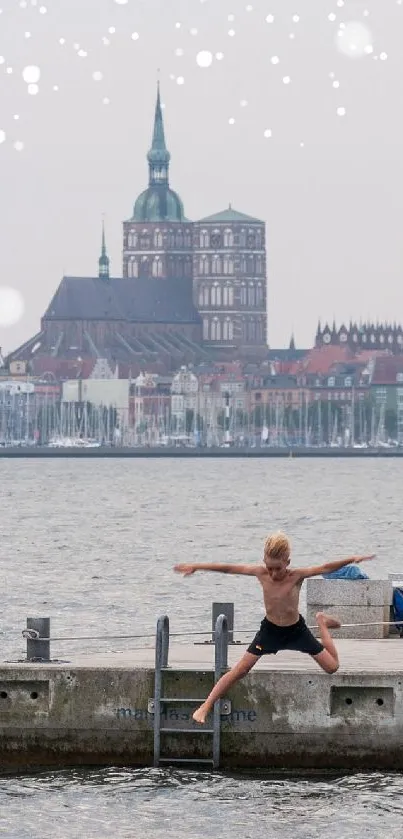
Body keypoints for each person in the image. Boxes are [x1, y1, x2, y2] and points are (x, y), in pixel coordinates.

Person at [174, 532, 375, 724]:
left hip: (296, 630)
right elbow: (228, 568)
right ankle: (205, 706)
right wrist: (196, 566)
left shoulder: (297, 576)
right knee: (241, 669)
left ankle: (321, 622)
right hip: (270, 631)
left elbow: (325, 567)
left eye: (278, 568)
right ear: (264, 562)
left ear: (287, 562)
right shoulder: (261, 573)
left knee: (332, 668)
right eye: (269, 567)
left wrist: (352, 559)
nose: (273, 573)